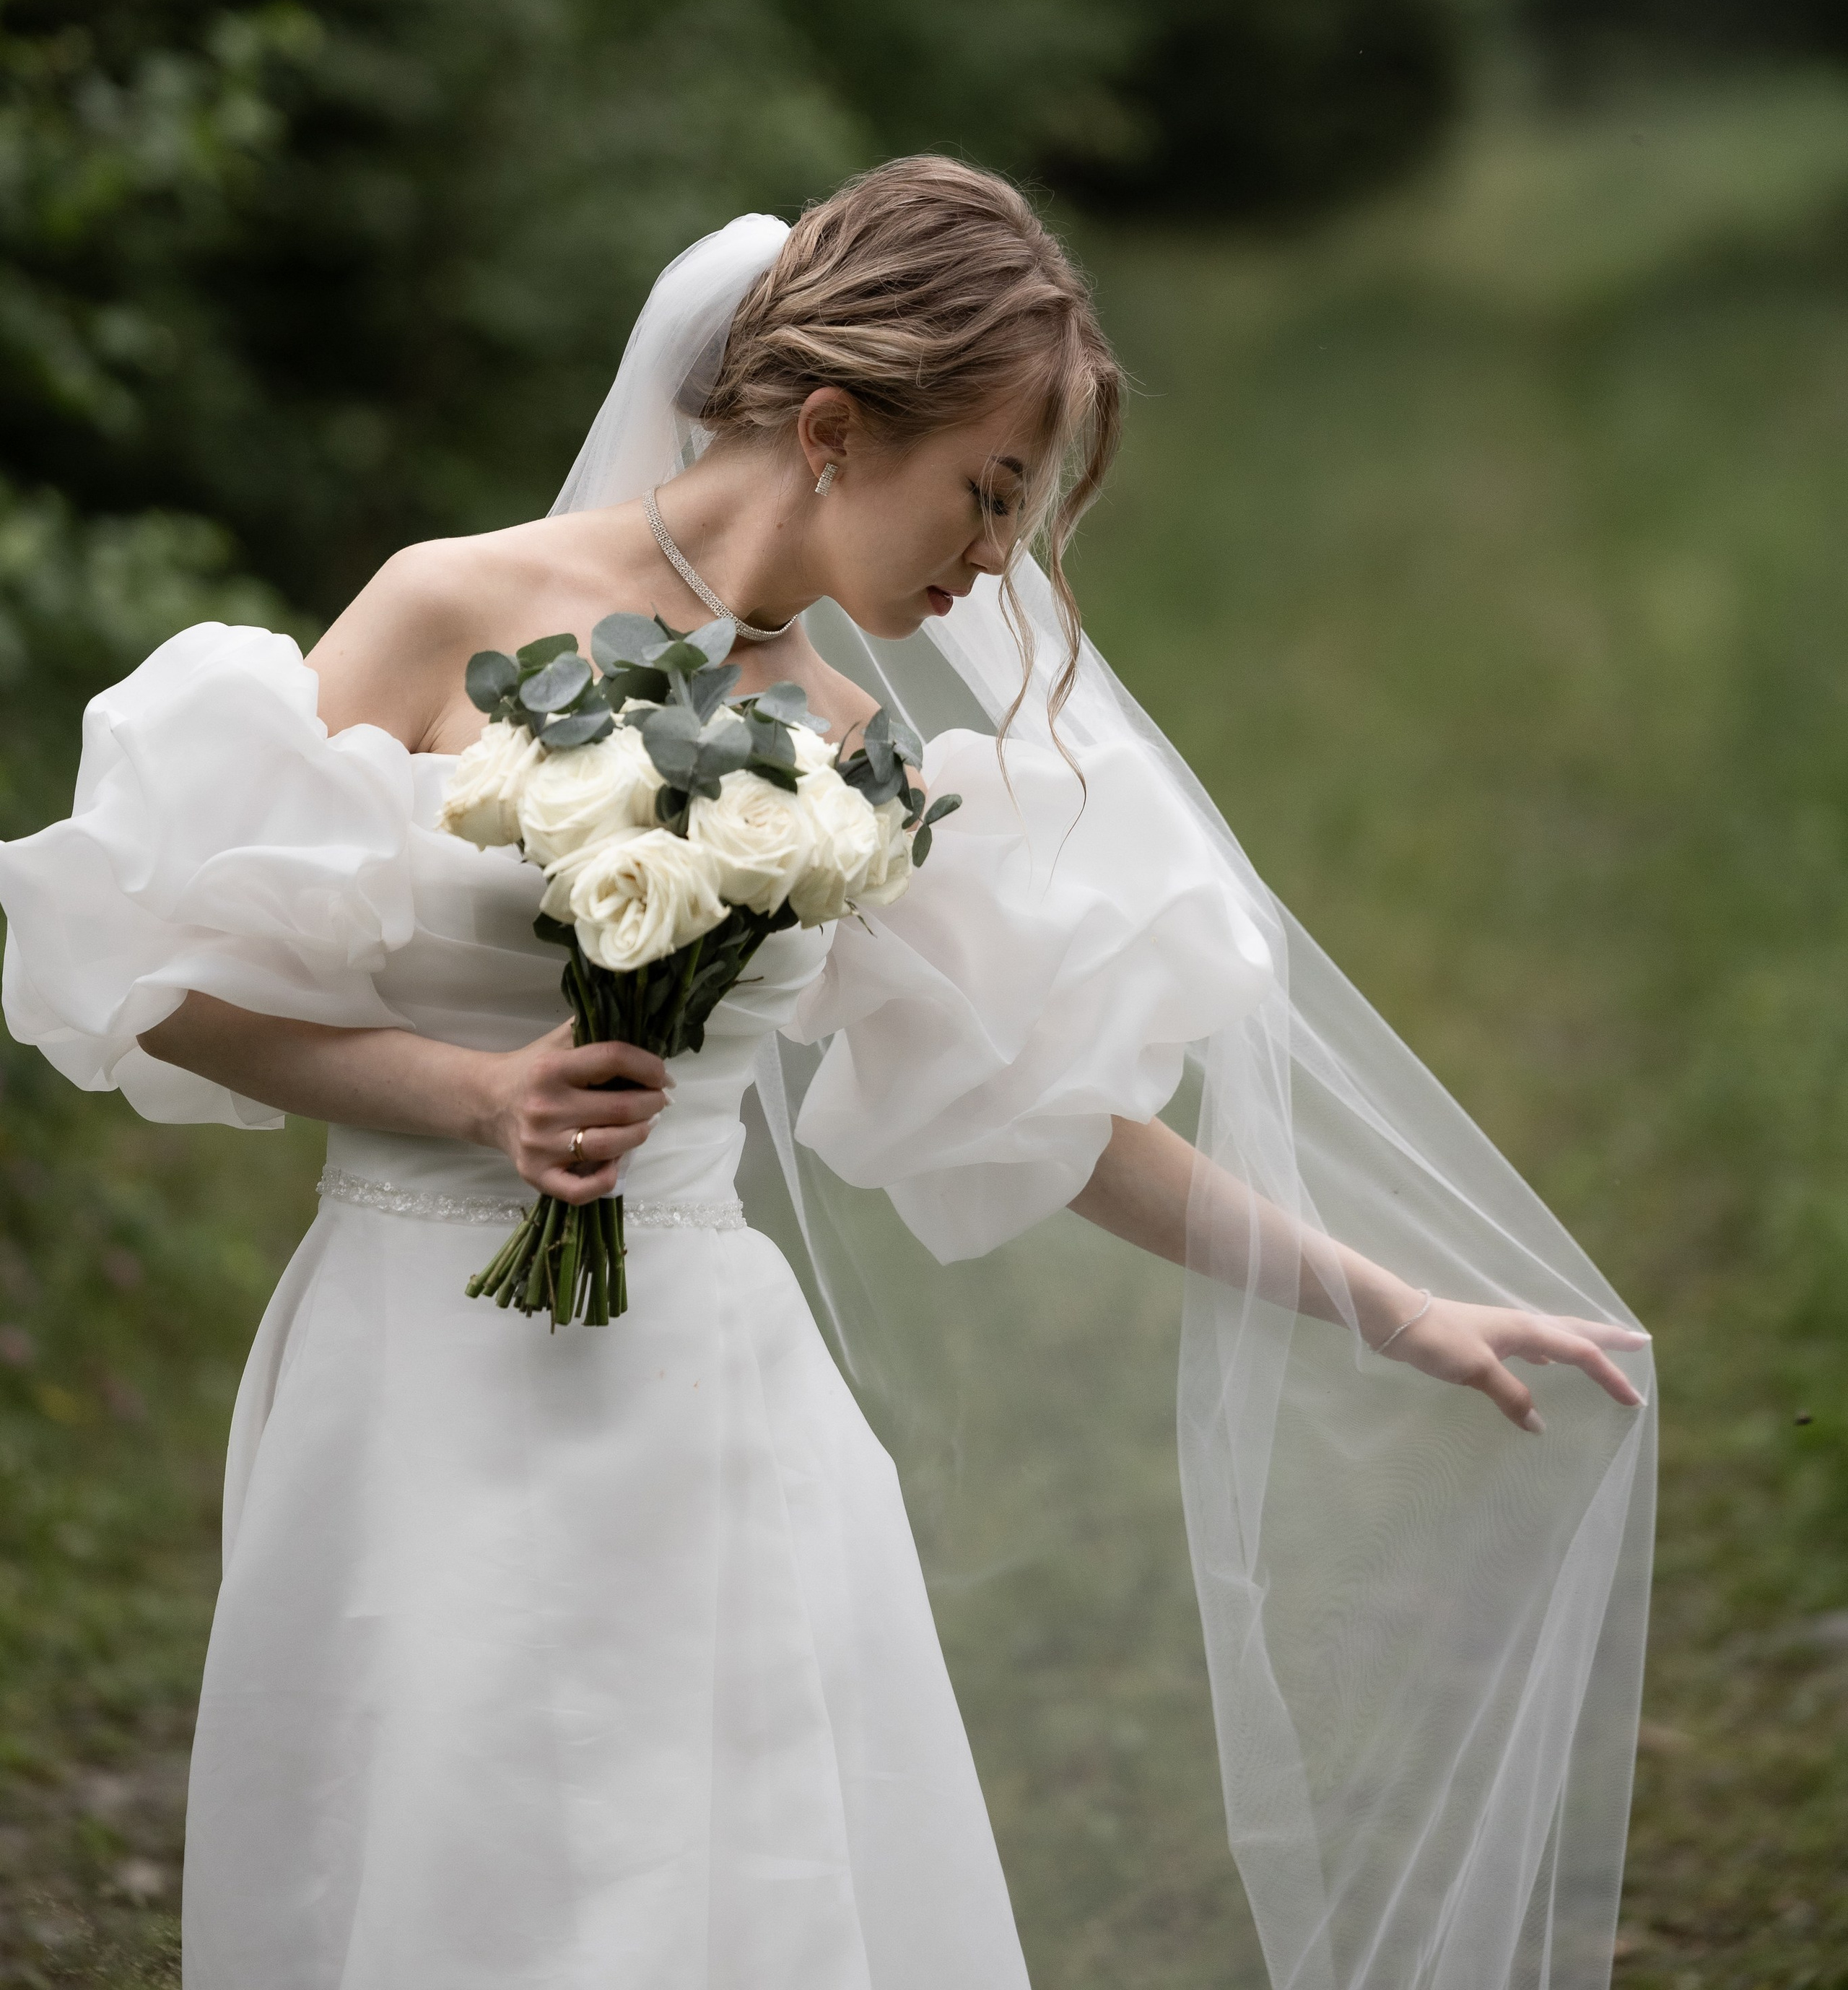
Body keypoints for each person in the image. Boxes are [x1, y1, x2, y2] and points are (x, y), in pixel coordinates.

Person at [0, 162, 1652, 1990]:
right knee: (433, 1857)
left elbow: (1041, 1115)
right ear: (832, 425)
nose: (997, 561)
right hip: (408, 1362)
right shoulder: (440, 609)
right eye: (992, 489)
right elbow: (155, 983)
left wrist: (1389, 1305)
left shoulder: (850, 750)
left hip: (702, 1389)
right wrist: (464, 1097)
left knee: (728, 1889)